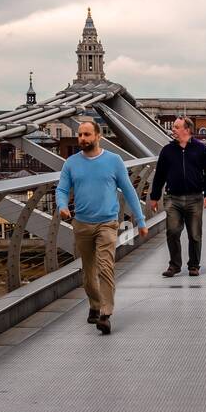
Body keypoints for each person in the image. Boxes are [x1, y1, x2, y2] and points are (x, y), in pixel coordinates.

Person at [55, 120, 149, 335]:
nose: (82, 139)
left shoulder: (113, 161)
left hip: (107, 223)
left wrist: (141, 221)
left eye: (87, 134)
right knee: (88, 271)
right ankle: (95, 304)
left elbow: (129, 191)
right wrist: (62, 206)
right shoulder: (71, 163)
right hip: (82, 223)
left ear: (98, 137)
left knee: (105, 266)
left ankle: (106, 314)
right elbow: (61, 189)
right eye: (80, 135)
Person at [150, 116, 206, 277]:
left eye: (176, 127)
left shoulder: (201, 150)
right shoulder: (167, 150)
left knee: (194, 234)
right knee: (172, 231)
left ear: (187, 129)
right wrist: (154, 196)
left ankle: (194, 265)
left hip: (195, 198)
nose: (173, 129)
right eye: (173, 127)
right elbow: (159, 175)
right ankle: (174, 265)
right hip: (173, 198)